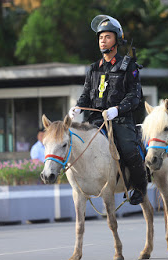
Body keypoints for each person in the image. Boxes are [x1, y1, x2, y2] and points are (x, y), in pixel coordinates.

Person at [68, 15, 147, 205]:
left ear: (117, 40)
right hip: (96, 120)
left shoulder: (129, 66)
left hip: (120, 120)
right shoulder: (94, 68)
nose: (103, 40)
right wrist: (78, 107)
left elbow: (134, 96)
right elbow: (86, 93)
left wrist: (118, 110)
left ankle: (140, 186)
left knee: (129, 149)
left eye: (107, 37)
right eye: (100, 37)